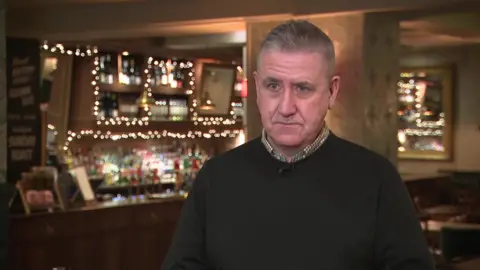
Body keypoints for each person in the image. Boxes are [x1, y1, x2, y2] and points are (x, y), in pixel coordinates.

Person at [162, 20, 434, 270]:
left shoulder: (377, 179)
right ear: (257, 87)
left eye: (302, 88)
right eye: (273, 86)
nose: (286, 107)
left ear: (331, 92)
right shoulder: (216, 178)